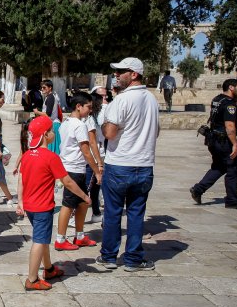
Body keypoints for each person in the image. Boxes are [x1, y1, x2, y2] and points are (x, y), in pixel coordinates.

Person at [98, 57, 160, 271]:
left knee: (113, 212)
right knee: (136, 214)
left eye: (121, 71)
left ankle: (108, 256)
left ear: (134, 74)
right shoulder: (151, 100)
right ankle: (133, 259)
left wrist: (104, 121)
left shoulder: (122, 100)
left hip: (119, 164)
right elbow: (156, 132)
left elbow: (110, 133)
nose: (116, 75)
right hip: (144, 164)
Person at [16, 116, 91, 290]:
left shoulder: (27, 155)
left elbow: (21, 179)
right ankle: (32, 280)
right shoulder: (51, 157)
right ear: (45, 135)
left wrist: (20, 201)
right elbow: (68, 182)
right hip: (43, 207)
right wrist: (84, 196)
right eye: (51, 131)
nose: (53, 133)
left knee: (42, 238)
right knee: (39, 241)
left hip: (30, 206)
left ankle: (49, 269)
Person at [190, 79, 237, 209]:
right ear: (231, 87)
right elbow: (230, 126)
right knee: (233, 169)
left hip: (214, 140)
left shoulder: (217, 99)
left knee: (219, 167)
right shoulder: (229, 104)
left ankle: (198, 190)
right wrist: (235, 144)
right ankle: (232, 200)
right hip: (224, 142)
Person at [54, 92, 101, 251]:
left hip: (71, 167)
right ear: (78, 106)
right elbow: (86, 151)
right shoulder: (80, 125)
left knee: (83, 202)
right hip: (74, 169)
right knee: (68, 204)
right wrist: (97, 171)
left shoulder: (65, 123)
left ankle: (79, 236)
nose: (90, 110)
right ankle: (60, 239)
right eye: (88, 107)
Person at [86, 86, 107, 223]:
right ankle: (73, 215)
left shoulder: (94, 116)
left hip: (99, 151)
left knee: (95, 185)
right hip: (93, 155)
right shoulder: (90, 119)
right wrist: (99, 163)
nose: (104, 101)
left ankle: (96, 212)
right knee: (87, 186)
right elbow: (93, 142)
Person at [33, 80, 61, 154]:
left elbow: (48, 114)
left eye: (44, 87)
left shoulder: (50, 97)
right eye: (41, 87)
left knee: (52, 150)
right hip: (52, 124)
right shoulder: (49, 97)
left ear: (50, 88)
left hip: (53, 125)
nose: (42, 89)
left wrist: (37, 112)